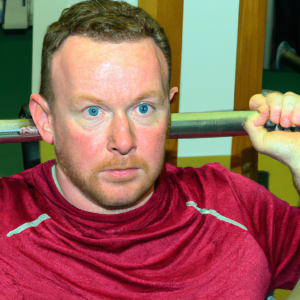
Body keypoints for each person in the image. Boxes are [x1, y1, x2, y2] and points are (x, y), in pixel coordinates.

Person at [0, 0, 299, 299]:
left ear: (168, 109)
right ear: (46, 119)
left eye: (143, 108)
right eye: (93, 111)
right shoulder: (8, 224)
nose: (124, 140)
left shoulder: (234, 204)